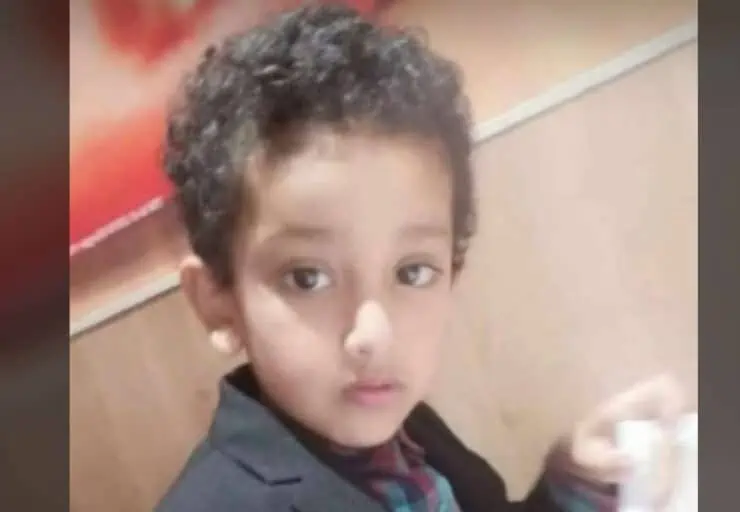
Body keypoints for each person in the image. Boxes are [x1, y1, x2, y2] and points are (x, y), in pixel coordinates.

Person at [156, 4, 686, 511]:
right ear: (218, 300)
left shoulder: (406, 429)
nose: (374, 335)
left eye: (412, 272)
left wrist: (578, 481)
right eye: (307, 277)